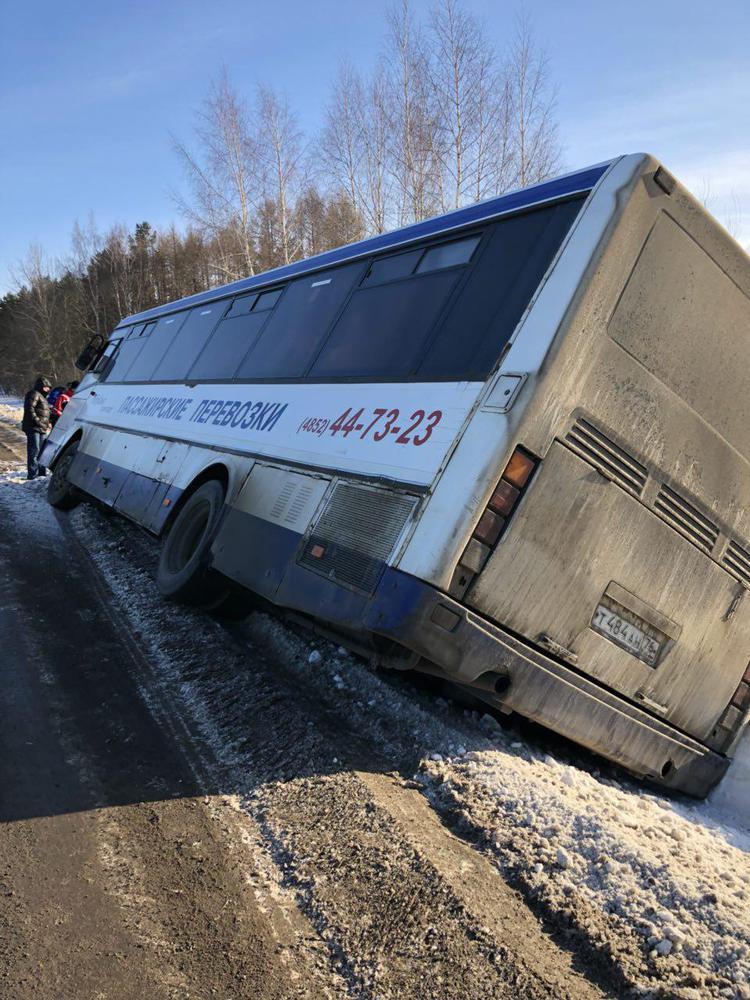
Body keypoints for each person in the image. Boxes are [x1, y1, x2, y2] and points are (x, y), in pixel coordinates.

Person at [21, 375, 52, 479]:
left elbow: (45, 413)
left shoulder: (43, 398)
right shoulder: (34, 394)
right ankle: (32, 475)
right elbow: (29, 409)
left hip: (42, 428)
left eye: (49, 388)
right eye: (46, 387)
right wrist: (38, 421)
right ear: (40, 386)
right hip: (33, 427)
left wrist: (48, 423)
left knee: (42, 452)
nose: (48, 389)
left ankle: (42, 474)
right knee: (34, 451)